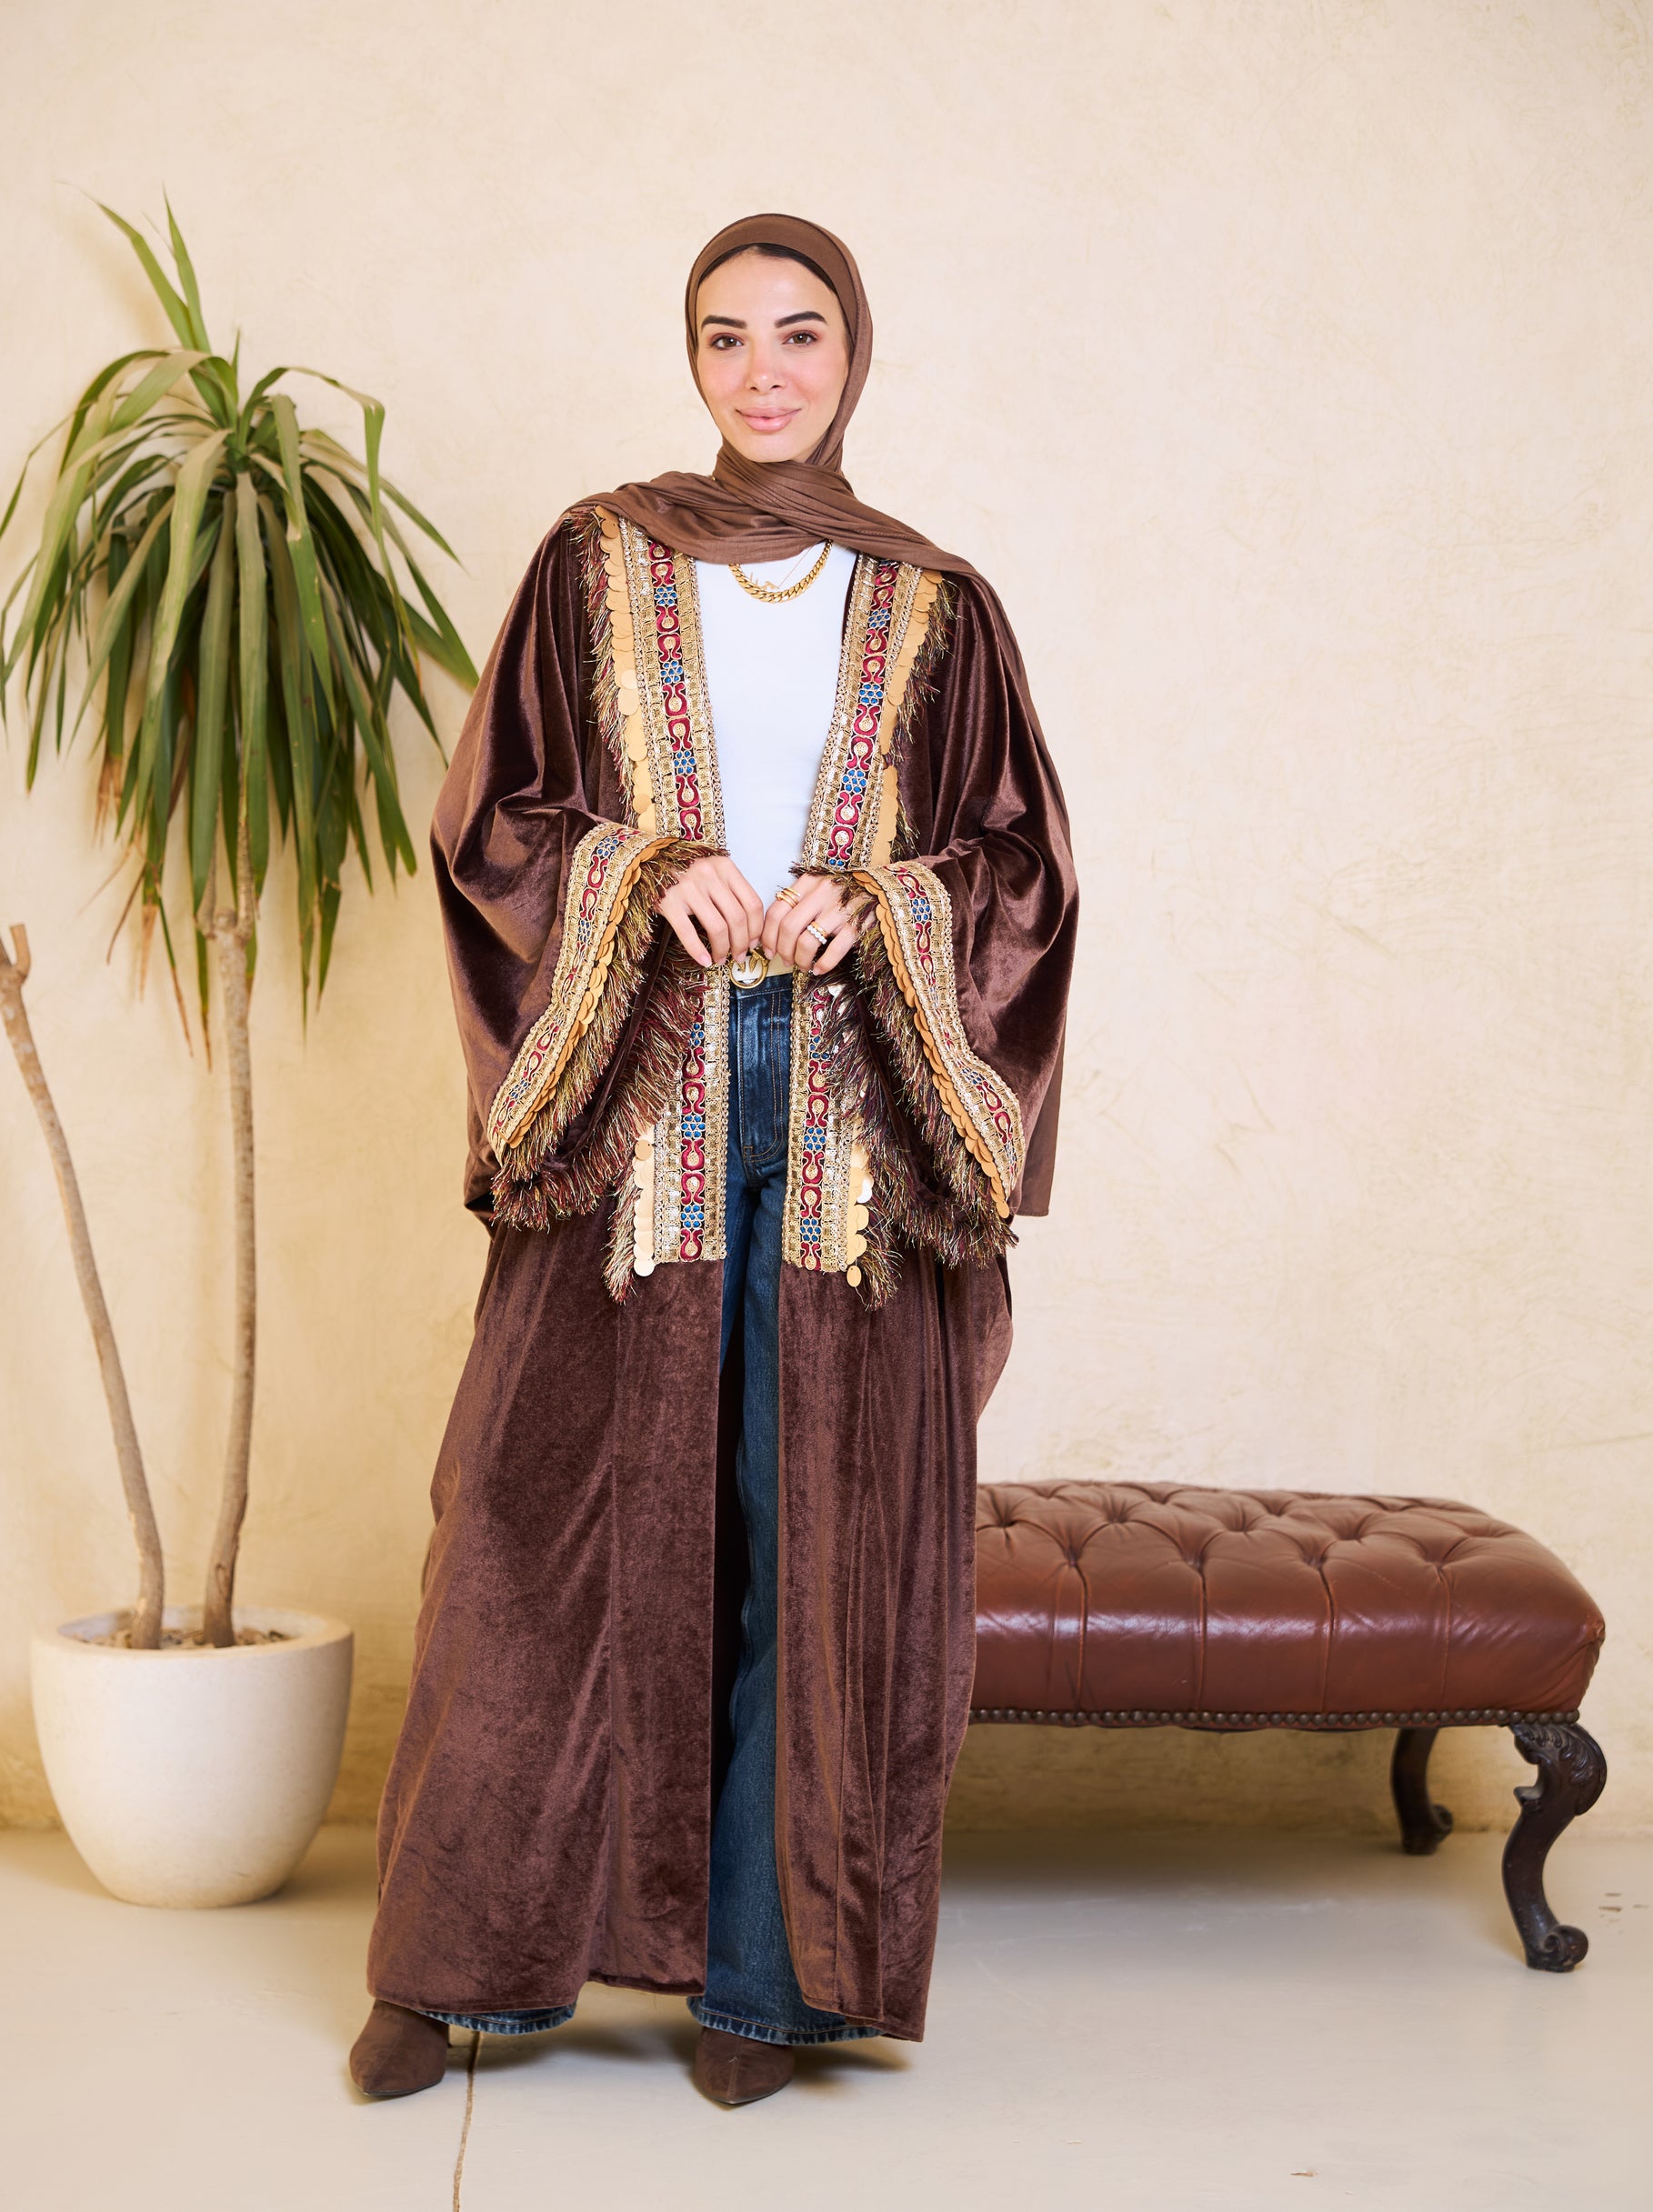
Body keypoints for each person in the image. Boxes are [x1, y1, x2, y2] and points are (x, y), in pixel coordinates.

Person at [350, 214, 1077, 2108]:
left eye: (799, 334)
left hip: (847, 1116)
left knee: (803, 1533)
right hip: (638, 1092)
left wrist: (879, 901)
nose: (765, 372)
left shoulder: (935, 602)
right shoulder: (595, 559)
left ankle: (765, 1983)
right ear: (691, 359)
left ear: (854, 354)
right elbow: (493, 820)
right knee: (534, 1524)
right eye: (727, 336)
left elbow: (1021, 870)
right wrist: (645, 873)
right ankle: (455, 1968)